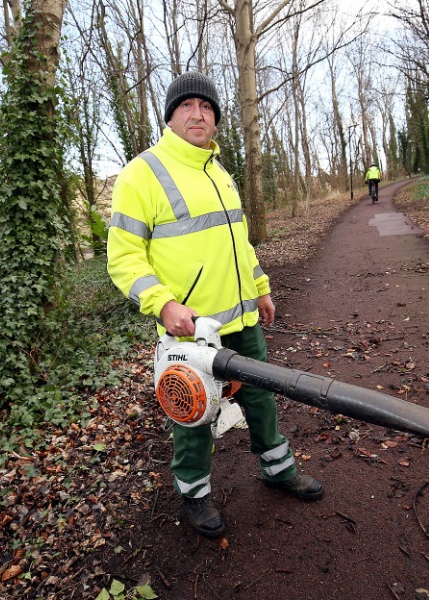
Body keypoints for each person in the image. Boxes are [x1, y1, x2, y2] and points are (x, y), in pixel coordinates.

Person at [106, 71, 323, 539]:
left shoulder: (220, 173)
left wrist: (261, 287)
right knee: (193, 412)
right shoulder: (142, 173)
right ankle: (194, 493)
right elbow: (123, 258)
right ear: (170, 116)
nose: (197, 114)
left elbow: (239, 244)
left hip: (242, 320)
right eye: (186, 105)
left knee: (261, 399)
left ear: (216, 119)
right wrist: (163, 304)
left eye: (206, 106)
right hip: (191, 333)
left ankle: (278, 470)